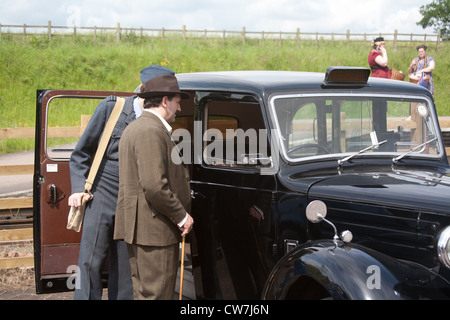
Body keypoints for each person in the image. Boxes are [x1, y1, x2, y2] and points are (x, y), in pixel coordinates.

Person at [68, 65, 175, 300]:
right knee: (90, 262)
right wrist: (78, 189)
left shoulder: (160, 121)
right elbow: (80, 154)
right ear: (144, 90)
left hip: (134, 199)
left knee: (127, 268)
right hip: (102, 193)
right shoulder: (113, 108)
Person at [114, 74, 194, 300]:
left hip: (144, 229)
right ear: (165, 101)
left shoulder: (137, 128)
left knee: (146, 294)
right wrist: (181, 217)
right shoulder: (150, 131)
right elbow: (154, 186)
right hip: (154, 231)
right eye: (178, 102)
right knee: (157, 295)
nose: (179, 109)